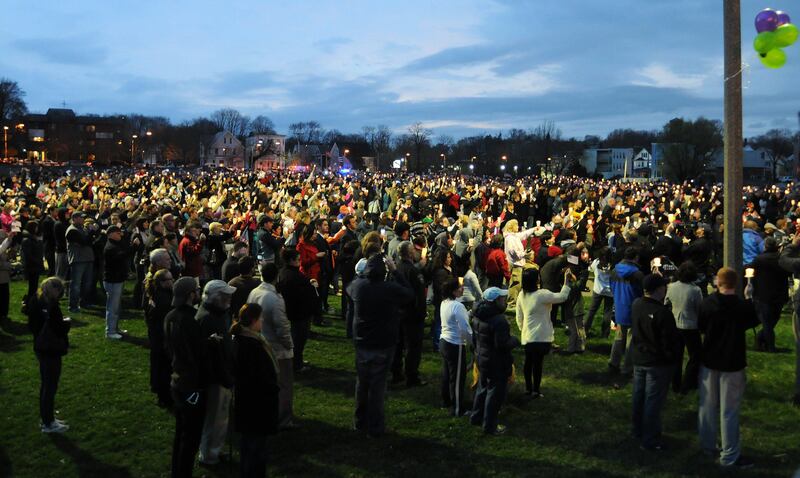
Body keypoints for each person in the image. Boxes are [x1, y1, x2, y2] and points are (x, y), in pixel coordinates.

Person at [697, 267, 759, 468]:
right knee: (729, 411)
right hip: (732, 362)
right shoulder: (742, 307)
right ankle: (730, 454)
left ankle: (707, 446)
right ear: (736, 284)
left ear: (718, 282)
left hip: (710, 360)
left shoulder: (707, 304)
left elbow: (701, 326)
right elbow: (754, 320)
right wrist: (749, 299)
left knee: (707, 406)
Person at [347, 254, 413, 437]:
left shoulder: (358, 287)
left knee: (362, 384)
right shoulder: (388, 288)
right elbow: (409, 294)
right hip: (383, 342)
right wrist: (395, 271)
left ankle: (360, 422)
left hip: (362, 341)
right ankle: (375, 427)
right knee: (377, 387)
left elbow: (349, 286)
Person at [630, 274, 680, 451]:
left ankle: (637, 430)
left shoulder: (637, 304)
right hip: (657, 363)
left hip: (639, 358)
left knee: (639, 396)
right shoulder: (662, 313)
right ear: (659, 289)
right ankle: (650, 440)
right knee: (652, 401)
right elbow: (669, 341)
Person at [230, 303, 279, 478]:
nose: (263, 321)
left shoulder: (243, 340)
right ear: (253, 320)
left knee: (250, 445)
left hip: (248, 402)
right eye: (260, 318)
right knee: (255, 447)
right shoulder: (250, 345)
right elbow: (257, 376)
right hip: (255, 404)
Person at [165, 276, 207, 478]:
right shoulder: (190, 320)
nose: (199, 293)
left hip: (176, 379)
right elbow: (198, 353)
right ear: (191, 295)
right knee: (190, 436)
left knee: (181, 432)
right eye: (197, 290)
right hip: (191, 384)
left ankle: (177, 471)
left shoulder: (170, 316)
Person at [248, 263, 296, 429]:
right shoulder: (274, 299)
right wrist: (289, 345)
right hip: (277, 347)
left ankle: (268, 413)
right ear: (277, 277)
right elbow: (282, 326)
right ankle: (283, 419)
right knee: (283, 385)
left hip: (260, 342)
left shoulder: (254, 292)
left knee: (267, 384)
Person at [197, 279, 237, 466]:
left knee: (219, 419)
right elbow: (213, 355)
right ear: (215, 298)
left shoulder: (216, 314)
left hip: (220, 374)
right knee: (216, 419)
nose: (229, 298)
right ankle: (209, 455)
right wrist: (227, 378)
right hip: (217, 378)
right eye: (225, 295)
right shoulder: (208, 319)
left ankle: (213, 450)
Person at [470, 287, 520, 435]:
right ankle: (490, 426)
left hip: (481, 358)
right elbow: (502, 344)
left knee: (482, 388)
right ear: (496, 301)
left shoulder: (477, 315)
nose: (504, 301)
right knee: (494, 395)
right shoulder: (499, 321)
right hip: (496, 362)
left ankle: (476, 417)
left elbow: (475, 339)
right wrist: (515, 340)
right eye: (502, 299)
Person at [515, 268, 571, 398]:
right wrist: (566, 282)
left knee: (528, 363)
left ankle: (528, 388)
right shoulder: (542, 295)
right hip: (541, 337)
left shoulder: (521, 295)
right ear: (537, 280)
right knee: (537, 364)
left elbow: (519, 317)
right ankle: (536, 390)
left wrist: (523, 329)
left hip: (527, 336)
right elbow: (562, 297)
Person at [27, 277, 70, 433]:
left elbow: (32, 325)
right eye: (58, 289)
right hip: (50, 349)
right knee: (50, 386)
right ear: (54, 290)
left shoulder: (36, 300)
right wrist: (66, 324)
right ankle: (48, 423)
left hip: (40, 346)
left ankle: (48, 417)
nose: (60, 292)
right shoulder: (51, 306)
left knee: (46, 385)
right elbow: (58, 329)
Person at [392, 241, 428, 387]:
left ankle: (397, 372)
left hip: (398, 312)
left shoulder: (397, 268)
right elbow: (419, 294)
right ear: (409, 253)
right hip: (412, 314)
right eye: (413, 249)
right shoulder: (412, 271)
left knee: (398, 344)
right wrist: (421, 312)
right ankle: (412, 375)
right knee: (413, 347)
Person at [665, 261, 704, 394]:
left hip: (675, 323)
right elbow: (700, 309)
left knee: (677, 356)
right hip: (691, 326)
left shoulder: (671, 287)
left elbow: (666, 302)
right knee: (695, 356)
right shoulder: (695, 290)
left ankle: (676, 384)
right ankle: (688, 383)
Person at [276, 249, 316, 372]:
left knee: (297, 339)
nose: (300, 262)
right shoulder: (294, 276)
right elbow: (301, 294)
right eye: (298, 260)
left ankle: (297, 360)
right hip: (299, 312)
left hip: (292, 311)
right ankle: (297, 364)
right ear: (292, 261)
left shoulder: (283, 273)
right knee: (298, 339)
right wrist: (311, 286)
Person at [439, 278, 473, 416]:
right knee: (458, 378)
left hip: (444, 342)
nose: (462, 288)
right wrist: (471, 342)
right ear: (453, 290)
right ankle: (458, 408)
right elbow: (464, 328)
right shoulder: (458, 306)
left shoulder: (445, 303)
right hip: (455, 344)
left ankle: (446, 401)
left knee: (447, 375)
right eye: (460, 287)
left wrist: (469, 313)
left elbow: (453, 319)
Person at [609, 247, 644, 375]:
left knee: (618, 337)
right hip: (633, 308)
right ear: (635, 258)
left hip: (619, 306)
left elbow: (612, 288)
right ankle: (627, 367)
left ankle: (614, 362)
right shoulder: (638, 274)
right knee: (631, 340)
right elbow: (642, 293)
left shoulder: (614, 270)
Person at [751, 237, 790, 352]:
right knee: (772, 320)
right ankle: (767, 343)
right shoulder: (781, 259)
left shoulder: (759, 259)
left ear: (765, 246)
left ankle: (764, 341)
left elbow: (752, 274)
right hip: (779, 294)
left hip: (763, 294)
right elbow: (788, 273)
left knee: (767, 322)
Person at [145, 268, 175, 408]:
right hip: (161, 338)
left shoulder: (156, 294)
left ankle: (159, 390)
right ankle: (164, 397)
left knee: (158, 366)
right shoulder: (163, 299)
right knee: (163, 368)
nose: (172, 281)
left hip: (155, 337)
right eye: (170, 279)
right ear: (162, 282)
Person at [102, 225, 132, 339]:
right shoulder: (110, 247)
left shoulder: (115, 244)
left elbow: (124, 249)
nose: (120, 235)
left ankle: (115, 328)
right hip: (113, 280)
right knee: (112, 307)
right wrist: (133, 247)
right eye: (118, 233)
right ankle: (110, 331)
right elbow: (121, 256)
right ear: (111, 234)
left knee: (116, 307)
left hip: (117, 279)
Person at [65, 212, 95, 313]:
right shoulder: (72, 230)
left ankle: (84, 303)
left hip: (87, 258)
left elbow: (90, 241)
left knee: (87, 283)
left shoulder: (82, 228)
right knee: (76, 284)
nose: (83, 220)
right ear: (74, 218)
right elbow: (84, 242)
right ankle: (73, 305)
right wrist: (91, 232)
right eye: (81, 218)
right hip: (78, 260)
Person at [585, 247, 614, 338]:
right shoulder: (613, 265)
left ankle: (585, 329)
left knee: (592, 311)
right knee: (607, 312)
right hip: (610, 291)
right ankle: (605, 333)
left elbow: (591, 270)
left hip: (598, 289)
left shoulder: (596, 262)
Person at [21, 220, 44, 309]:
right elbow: (28, 255)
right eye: (36, 227)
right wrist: (37, 261)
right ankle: (29, 304)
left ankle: (31, 303)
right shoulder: (27, 240)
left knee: (34, 287)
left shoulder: (33, 238)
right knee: (32, 287)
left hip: (35, 265)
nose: (37, 229)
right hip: (32, 267)